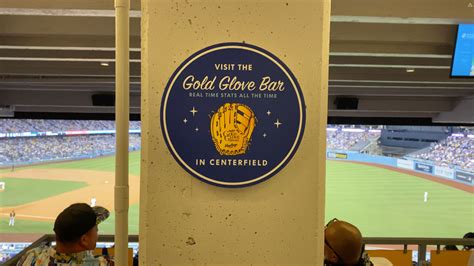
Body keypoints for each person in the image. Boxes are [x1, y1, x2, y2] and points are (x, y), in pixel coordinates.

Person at [17, 203, 111, 265]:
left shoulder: (32, 256)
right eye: (96, 229)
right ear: (84, 240)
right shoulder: (102, 263)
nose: (97, 234)